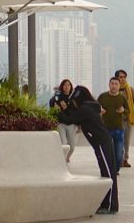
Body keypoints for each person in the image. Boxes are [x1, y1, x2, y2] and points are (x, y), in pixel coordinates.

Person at [65, 85, 119, 213]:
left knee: (108, 173)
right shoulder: (91, 106)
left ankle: (111, 205)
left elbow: (69, 119)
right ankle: (106, 204)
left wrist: (61, 110)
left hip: (101, 142)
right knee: (106, 172)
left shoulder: (84, 109)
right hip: (102, 142)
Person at [97, 77, 129, 167]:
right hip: (105, 129)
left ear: (119, 86)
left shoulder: (122, 98)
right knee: (106, 151)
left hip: (118, 129)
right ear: (109, 85)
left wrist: (123, 110)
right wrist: (100, 110)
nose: (114, 86)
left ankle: (116, 169)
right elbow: (95, 107)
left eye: (116, 84)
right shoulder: (102, 96)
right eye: (112, 84)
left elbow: (128, 111)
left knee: (118, 154)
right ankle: (109, 169)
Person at [114, 69, 134, 168]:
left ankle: (125, 159)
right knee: (118, 141)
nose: (123, 79)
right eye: (121, 77)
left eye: (124, 77)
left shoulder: (130, 89)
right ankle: (118, 159)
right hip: (117, 120)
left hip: (127, 119)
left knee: (126, 141)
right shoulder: (114, 89)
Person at [50, 78, 77, 162]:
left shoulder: (73, 98)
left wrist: (65, 108)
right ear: (62, 86)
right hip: (60, 123)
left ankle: (67, 157)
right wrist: (54, 106)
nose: (67, 87)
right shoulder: (57, 97)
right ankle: (62, 159)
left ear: (71, 86)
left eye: (68, 85)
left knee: (72, 146)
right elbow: (52, 105)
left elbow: (75, 111)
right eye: (65, 85)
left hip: (71, 123)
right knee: (63, 143)